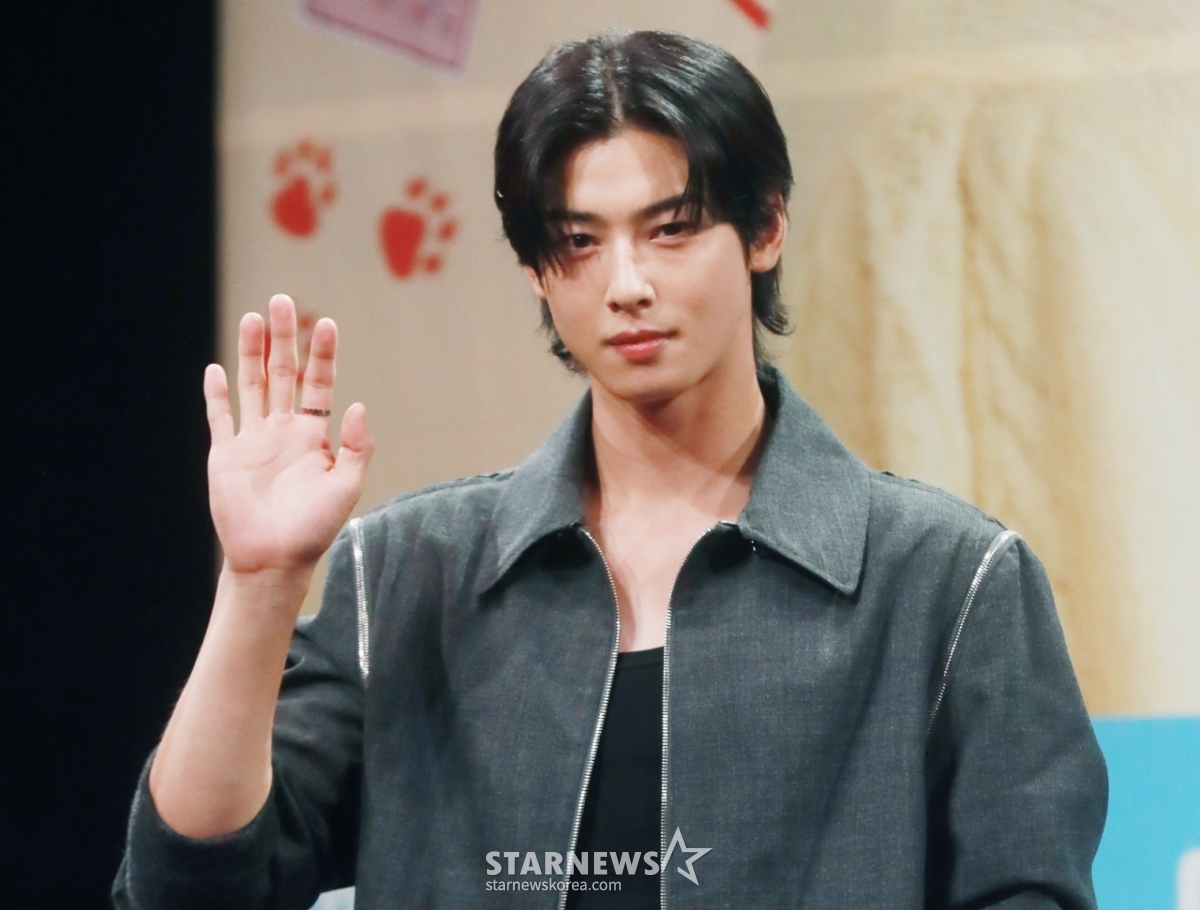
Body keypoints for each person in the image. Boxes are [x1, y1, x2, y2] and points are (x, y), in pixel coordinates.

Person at [113, 30, 1107, 910]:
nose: (626, 285)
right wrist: (258, 585)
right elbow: (186, 887)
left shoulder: (947, 584)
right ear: (536, 271)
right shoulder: (411, 575)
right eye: (578, 243)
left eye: (671, 229)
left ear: (766, 227)